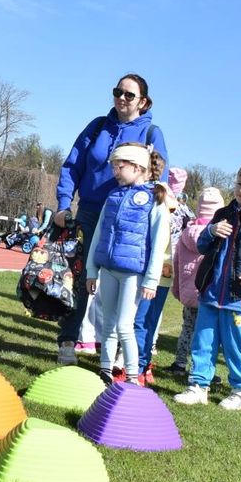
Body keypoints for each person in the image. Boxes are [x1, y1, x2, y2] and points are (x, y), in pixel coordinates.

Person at [52, 73, 169, 364]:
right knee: (79, 278)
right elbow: (72, 166)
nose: (122, 98)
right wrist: (64, 205)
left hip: (129, 218)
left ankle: (120, 350)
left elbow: (160, 180)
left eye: (129, 94)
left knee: (126, 282)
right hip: (91, 212)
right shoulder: (98, 126)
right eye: (118, 92)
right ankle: (68, 341)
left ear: (143, 102)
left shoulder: (151, 133)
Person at [175, 160, 241, 410]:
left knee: (235, 346)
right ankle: (199, 386)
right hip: (210, 294)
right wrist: (211, 231)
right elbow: (202, 247)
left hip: (238, 299)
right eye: (239, 184)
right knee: (203, 342)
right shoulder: (222, 214)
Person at [85, 143, 168, 385]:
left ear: (137, 167)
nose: (115, 172)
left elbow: (159, 243)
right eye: (113, 167)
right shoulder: (113, 196)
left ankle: (133, 376)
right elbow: (99, 234)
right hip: (108, 269)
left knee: (124, 326)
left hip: (133, 274)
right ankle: (104, 372)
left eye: (119, 166)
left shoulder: (155, 199)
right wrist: (92, 270)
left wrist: (151, 280)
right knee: (108, 325)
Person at [134, 166, 192, 383]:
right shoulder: (148, 197)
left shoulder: (172, 205)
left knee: (143, 319)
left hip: (159, 270)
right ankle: (139, 364)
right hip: (151, 267)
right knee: (143, 319)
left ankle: (140, 365)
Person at [169, 186, 224, 375]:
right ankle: (200, 368)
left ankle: (179, 363)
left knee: (187, 328)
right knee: (207, 332)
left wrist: (177, 288)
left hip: (189, 293)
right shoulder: (218, 235)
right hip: (209, 293)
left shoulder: (186, 233)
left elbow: (177, 262)